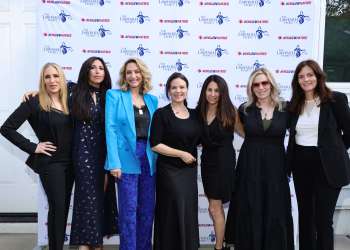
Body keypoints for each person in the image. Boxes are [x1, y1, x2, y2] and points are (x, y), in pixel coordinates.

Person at [0, 63, 74, 250]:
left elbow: (81, 85)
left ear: (62, 78)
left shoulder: (70, 99)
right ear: (43, 80)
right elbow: (7, 128)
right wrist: (33, 147)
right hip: (51, 163)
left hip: (71, 163)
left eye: (56, 76)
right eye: (47, 77)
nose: (52, 80)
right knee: (57, 207)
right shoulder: (34, 102)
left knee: (63, 207)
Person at [225, 68, 294, 250]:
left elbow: (298, 134)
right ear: (251, 88)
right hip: (250, 166)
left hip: (277, 167)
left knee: (275, 209)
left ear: (271, 84)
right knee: (251, 207)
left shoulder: (286, 108)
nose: (261, 87)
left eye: (265, 83)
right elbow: (238, 130)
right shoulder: (245, 109)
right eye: (256, 84)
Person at [287, 59, 350, 250]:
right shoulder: (294, 105)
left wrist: (335, 150)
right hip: (301, 165)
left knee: (323, 220)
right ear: (297, 81)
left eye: (309, 75)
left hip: (327, 167)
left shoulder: (335, 100)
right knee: (306, 218)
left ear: (318, 76)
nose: (306, 79)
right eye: (301, 76)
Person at [105, 58, 158, 250]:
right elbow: (110, 129)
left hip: (149, 157)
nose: (133, 75)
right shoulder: (114, 95)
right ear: (124, 76)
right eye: (129, 72)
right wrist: (114, 162)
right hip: (125, 158)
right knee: (128, 211)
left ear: (143, 74)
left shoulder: (152, 100)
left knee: (146, 210)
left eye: (137, 71)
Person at [69, 56, 117, 250]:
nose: (97, 71)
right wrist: (34, 93)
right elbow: (52, 90)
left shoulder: (110, 96)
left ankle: (92, 243)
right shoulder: (74, 91)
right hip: (83, 154)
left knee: (100, 199)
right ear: (86, 71)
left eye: (101, 68)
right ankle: (89, 244)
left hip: (105, 155)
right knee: (86, 199)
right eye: (93, 67)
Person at [150, 72, 202, 250]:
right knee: (171, 211)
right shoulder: (161, 114)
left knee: (188, 212)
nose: (178, 91)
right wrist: (181, 154)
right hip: (169, 171)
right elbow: (155, 144)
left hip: (189, 172)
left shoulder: (196, 115)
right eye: (174, 87)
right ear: (168, 91)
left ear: (187, 90)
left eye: (182, 87)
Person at [196, 74, 243, 250]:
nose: (213, 94)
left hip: (224, 163)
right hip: (207, 163)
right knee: (213, 207)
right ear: (204, 91)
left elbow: (247, 133)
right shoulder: (199, 112)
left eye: (217, 90)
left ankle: (218, 247)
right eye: (210, 90)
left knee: (214, 208)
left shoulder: (231, 112)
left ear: (223, 92)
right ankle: (222, 243)